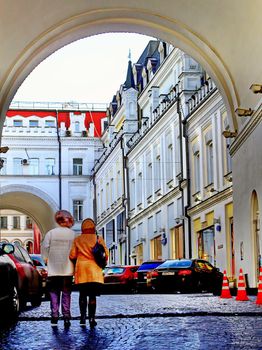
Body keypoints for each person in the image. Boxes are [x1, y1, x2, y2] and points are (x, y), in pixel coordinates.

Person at [69, 218, 108, 328]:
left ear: (82, 228)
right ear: (93, 227)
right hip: (94, 271)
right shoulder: (98, 238)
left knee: (82, 295)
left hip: (82, 271)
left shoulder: (78, 239)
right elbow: (106, 253)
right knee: (92, 296)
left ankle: (82, 318)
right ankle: (92, 318)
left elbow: (72, 255)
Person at [42, 210, 75, 327]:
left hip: (53, 269)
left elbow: (45, 248)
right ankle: (66, 317)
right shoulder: (72, 234)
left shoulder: (51, 233)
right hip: (67, 269)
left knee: (54, 293)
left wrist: (47, 260)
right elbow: (74, 252)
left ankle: (54, 316)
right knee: (66, 293)